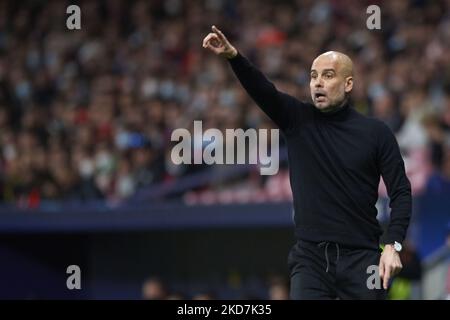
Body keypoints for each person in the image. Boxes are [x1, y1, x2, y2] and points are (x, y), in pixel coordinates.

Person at [203, 26, 412, 300]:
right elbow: (263, 91)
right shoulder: (296, 120)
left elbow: (400, 193)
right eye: (313, 76)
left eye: (328, 75)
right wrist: (233, 57)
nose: (317, 83)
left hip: (363, 259)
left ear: (348, 84)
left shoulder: (376, 133)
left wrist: (392, 246)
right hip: (311, 259)